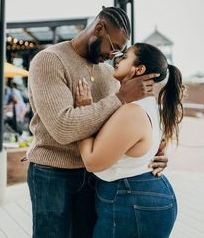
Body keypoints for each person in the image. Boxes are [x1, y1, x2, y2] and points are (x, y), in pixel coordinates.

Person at [26, 6, 168, 238]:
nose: (113, 56)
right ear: (99, 28)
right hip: (52, 173)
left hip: (94, 176)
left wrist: (152, 152)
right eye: (113, 48)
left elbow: (117, 125)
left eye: (120, 53)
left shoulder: (108, 74)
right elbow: (63, 128)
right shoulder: (49, 61)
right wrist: (120, 97)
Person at [77, 43, 184, 238]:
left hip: (132, 199)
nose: (117, 59)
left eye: (125, 56)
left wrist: (84, 110)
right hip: (136, 196)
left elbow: (92, 162)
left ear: (139, 69)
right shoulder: (144, 105)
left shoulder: (132, 111)